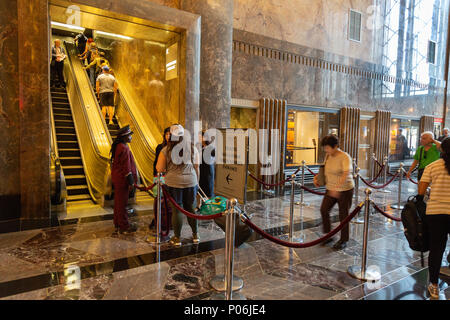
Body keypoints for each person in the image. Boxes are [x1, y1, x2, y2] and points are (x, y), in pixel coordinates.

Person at [156, 124, 200, 246]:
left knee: (177, 210)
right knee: (191, 208)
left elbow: (159, 168)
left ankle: (177, 238)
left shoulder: (166, 150)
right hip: (191, 181)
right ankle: (196, 235)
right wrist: (197, 182)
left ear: (171, 135)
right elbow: (197, 167)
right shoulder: (192, 148)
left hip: (174, 182)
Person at [418, 137, 450, 299]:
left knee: (437, 249)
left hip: (436, 212)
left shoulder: (433, 166)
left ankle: (434, 285)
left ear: (441, 150)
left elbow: (421, 190)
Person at [313, 135, 354, 250]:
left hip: (345, 190)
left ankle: (344, 239)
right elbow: (326, 169)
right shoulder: (328, 155)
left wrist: (337, 188)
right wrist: (317, 178)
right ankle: (328, 235)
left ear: (335, 146)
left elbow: (346, 173)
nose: (326, 150)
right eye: (324, 148)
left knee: (343, 215)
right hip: (330, 188)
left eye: (327, 147)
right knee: (324, 210)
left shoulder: (345, 157)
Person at [110, 125, 138, 234]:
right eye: (129, 135)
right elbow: (127, 168)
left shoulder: (118, 146)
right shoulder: (124, 148)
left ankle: (117, 223)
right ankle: (124, 226)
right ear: (124, 137)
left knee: (118, 202)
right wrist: (131, 182)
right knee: (122, 203)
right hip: (122, 179)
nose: (131, 137)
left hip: (117, 178)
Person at [199, 131, 215, 198]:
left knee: (208, 190)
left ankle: (209, 205)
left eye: (200, 137)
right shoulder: (201, 147)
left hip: (208, 171)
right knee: (201, 190)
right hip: (201, 171)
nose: (198, 138)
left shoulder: (210, 148)